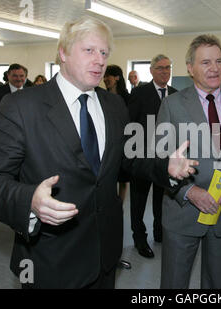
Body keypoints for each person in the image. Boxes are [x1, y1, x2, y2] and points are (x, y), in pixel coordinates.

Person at [0, 16, 197, 289]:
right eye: (89, 50)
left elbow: (128, 159)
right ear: (63, 53)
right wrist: (28, 200)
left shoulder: (114, 105)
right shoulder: (21, 106)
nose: (100, 60)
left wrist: (165, 167)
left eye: (104, 53)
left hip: (105, 254)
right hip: (50, 260)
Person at [157, 34, 221, 288]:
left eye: (219, 61)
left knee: (218, 283)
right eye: (206, 62)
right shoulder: (172, 105)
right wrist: (189, 191)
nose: (214, 68)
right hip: (183, 212)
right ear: (190, 68)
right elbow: (160, 159)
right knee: (174, 284)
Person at [128, 55, 178, 258]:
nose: (165, 71)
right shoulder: (139, 93)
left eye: (168, 67)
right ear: (151, 71)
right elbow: (130, 125)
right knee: (138, 201)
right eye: (160, 68)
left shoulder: (176, 95)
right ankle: (140, 239)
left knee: (162, 199)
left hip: (166, 158)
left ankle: (160, 233)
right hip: (141, 157)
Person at [103, 64, 132, 270]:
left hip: (122, 150)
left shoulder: (125, 98)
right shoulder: (101, 97)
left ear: (117, 78)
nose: (107, 79)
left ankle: (118, 204)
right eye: (105, 77)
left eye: (110, 76)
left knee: (122, 182)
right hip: (105, 153)